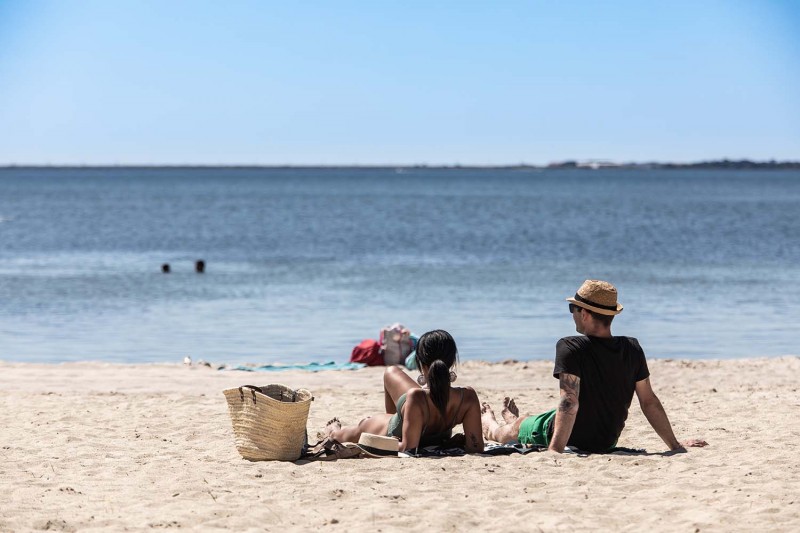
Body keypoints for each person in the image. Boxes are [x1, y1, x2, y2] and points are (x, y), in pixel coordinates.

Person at [481, 280, 708, 453]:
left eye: (573, 310)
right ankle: (517, 419)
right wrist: (674, 445)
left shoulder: (570, 346)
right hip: (606, 440)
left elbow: (569, 401)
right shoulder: (632, 348)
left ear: (585, 313)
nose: (572, 316)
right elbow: (648, 401)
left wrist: (555, 451)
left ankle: (491, 422)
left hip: (568, 436)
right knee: (535, 420)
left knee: (507, 433)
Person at [326, 329, 484, 454]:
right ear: (452, 361)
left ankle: (334, 431)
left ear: (421, 363)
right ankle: (396, 416)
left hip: (388, 430)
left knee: (348, 432)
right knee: (391, 372)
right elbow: (476, 447)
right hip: (427, 429)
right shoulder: (467, 397)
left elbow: (407, 449)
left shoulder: (417, 397)